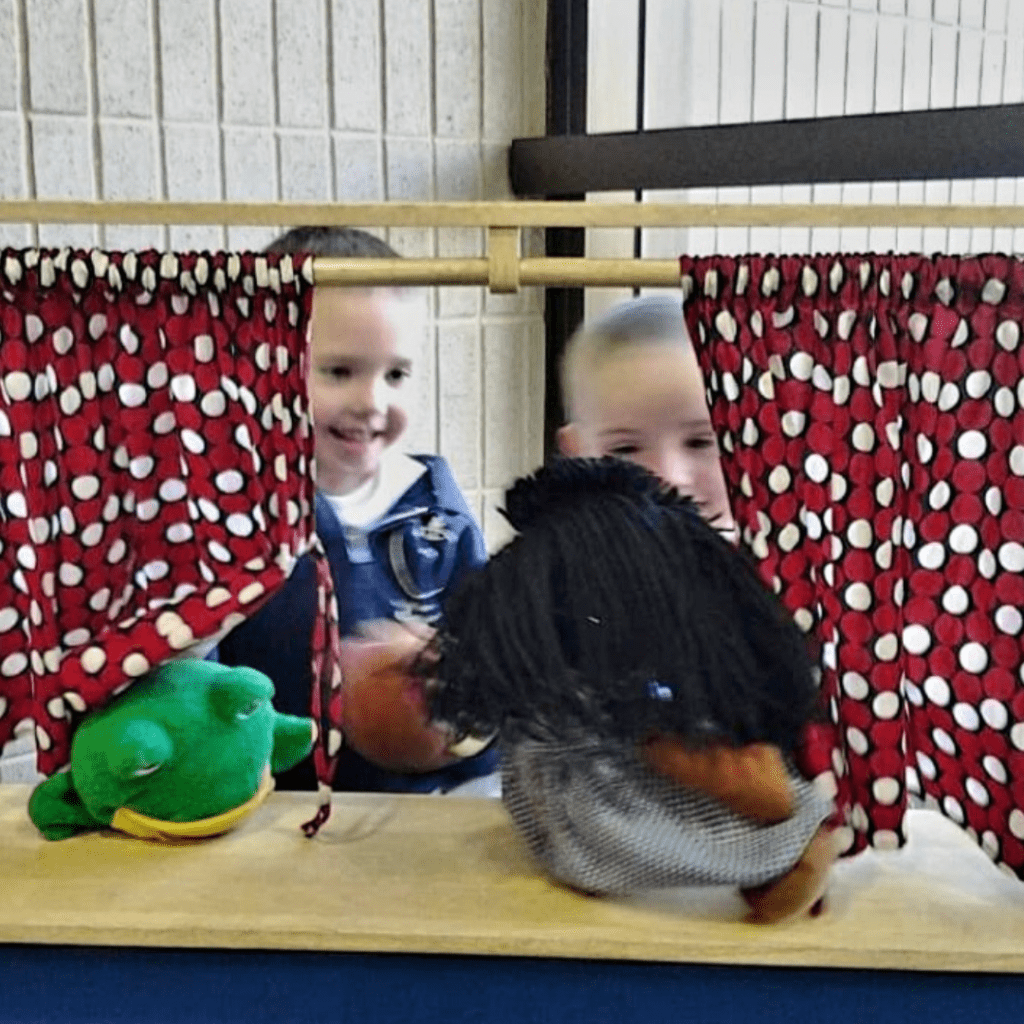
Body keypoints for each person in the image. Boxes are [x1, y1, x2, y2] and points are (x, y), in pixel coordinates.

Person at [215, 227, 498, 794]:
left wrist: (439, 678)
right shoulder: (229, 513)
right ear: (258, 367)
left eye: (396, 374)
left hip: (419, 824)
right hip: (262, 824)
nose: (373, 401)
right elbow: (196, 684)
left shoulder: (437, 514)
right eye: (340, 371)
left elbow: (494, 669)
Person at [555, 294, 736, 539]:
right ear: (576, 455)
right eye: (626, 448)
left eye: (699, 442)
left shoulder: (777, 565)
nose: (670, 476)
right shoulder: (559, 566)